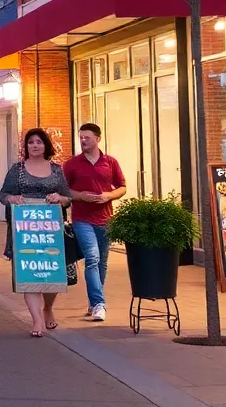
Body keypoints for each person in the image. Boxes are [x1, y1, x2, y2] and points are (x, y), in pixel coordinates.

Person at [0, 129, 73, 337]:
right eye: (30, 142)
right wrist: (12, 199)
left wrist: (59, 197)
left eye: (39, 142)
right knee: (29, 272)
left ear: (45, 145)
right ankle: (37, 320)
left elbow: (68, 197)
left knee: (52, 274)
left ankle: (48, 308)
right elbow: (3, 195)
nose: (34, 146)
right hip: (25, 231)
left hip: (50, 232)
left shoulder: (56, 170)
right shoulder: (18, 170)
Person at [63, 123, 127, 323]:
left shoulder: (110, 162)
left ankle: (92, 302)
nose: (83, 141)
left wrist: (109, 195)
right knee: (92, 258)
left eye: (87, 138)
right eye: (81, 137)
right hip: (82, 219)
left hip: (106, 218)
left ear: (98, 138)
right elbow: (64, 191)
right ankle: (99, 304)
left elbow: (122, 187)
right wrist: (81, 196)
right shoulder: (72, 164)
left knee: (102, 263)